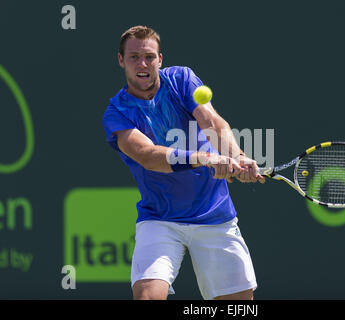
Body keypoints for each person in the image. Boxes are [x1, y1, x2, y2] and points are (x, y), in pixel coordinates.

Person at [102, 25, 265, 300]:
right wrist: (205, 159)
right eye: (134, 57)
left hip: (214, 215)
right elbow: (149, 156)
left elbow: (211, 121)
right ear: (121, 60)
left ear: (160, 59)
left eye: (149, 57)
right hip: (160, 219)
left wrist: (236, 156)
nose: (143, 64)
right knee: (147, 297)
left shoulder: (181, 79)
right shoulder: (116, 112)